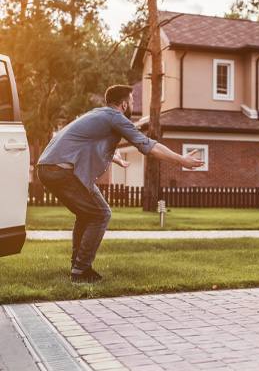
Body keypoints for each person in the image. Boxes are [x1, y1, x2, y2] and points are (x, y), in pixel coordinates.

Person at [37, 84, 203, 283]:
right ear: (124, 104)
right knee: (101, 214)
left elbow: (87, 143)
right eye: (132, 101)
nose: (133, 104)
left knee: (87, 214)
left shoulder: (98, 115)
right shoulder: (116, 118)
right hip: (62, 170)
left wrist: (116, 159)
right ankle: (81, 271)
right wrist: (181, 160)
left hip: (48, 167)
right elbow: (148, 145)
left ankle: (78, 266)